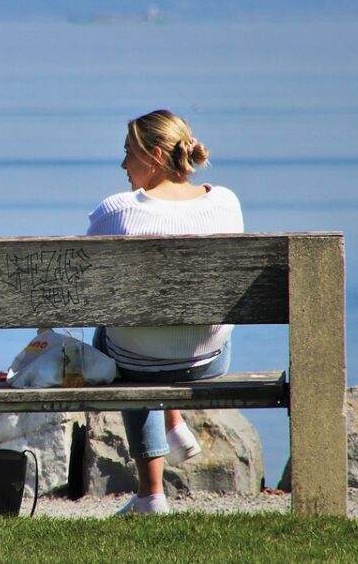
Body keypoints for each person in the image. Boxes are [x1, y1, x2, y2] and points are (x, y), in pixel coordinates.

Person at [86, 109, 244, 515]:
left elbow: (85, 287)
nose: (122, 164)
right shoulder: (226, 202)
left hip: (137, 360)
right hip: (207, 361)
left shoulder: (117, 211)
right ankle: (173, 424)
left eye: (128, 153)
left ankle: (151, 495)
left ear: (155, 155)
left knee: (118, 342)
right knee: (155, 334)